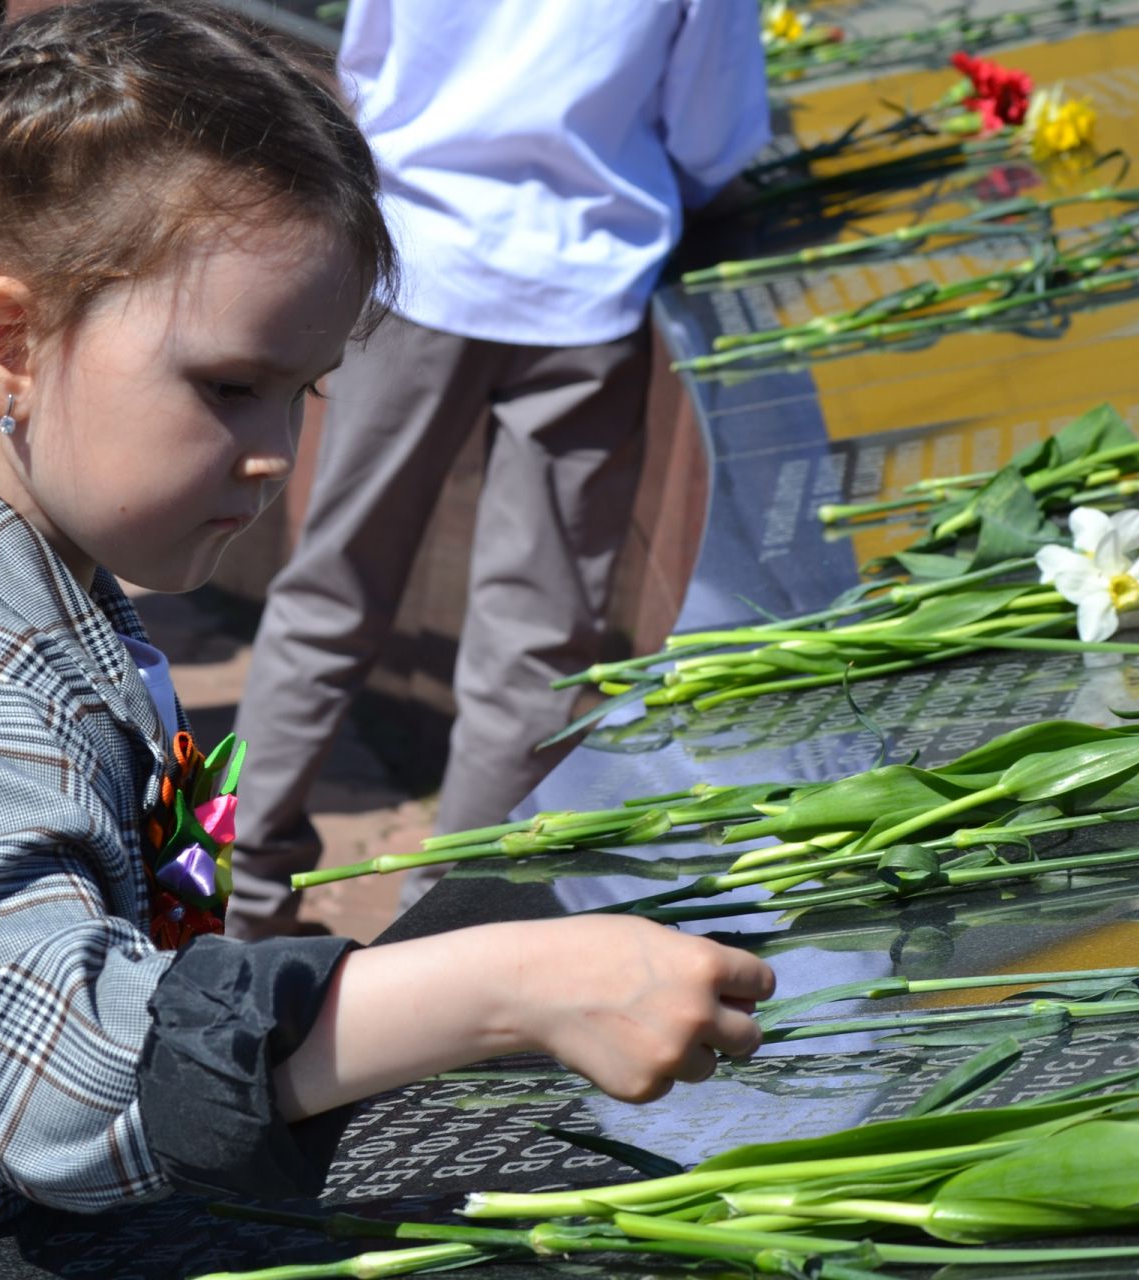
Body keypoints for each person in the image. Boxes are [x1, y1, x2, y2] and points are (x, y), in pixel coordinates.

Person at [0, 5, 775, 1276]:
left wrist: (264, 983)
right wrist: (504, 986)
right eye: (230, 385)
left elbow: (173, 933)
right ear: (9, 344)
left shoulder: (62, 599)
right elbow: (64, 1088)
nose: (278, 452)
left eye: (306, 392)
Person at [224, 0, 771, 936]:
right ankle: (445, 928)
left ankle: (243, 896)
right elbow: (714, 130)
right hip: (582, 275)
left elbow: (371, 58)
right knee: (535, 646)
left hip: (417, 249)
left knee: (329, 590)